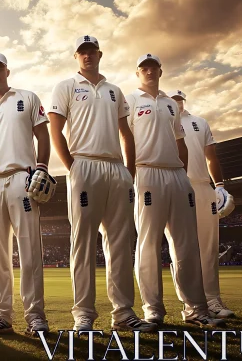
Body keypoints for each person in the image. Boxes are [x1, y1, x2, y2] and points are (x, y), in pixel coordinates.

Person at [48, 36, 156, 332]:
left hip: (115, 169)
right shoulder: (66, 86)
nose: (87, 56)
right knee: (81, 243)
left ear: (99, 54)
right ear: (76, 56)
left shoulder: (113, 90)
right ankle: (83, 314)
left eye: (92, 51)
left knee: (120, 243)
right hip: (84, 165)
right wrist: (72, 167)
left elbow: (126, 133)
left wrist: (128, 170)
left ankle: (123, 313)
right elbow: (55, 128)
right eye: (82, 52)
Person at [127, 54, 225, 328]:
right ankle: (153, 311)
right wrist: (130, 175)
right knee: (147, 244)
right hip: (147, 172)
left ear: (160, 71)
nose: (149, 71)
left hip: (176, 175)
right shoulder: (131, 101)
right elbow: (126, 139)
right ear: (138, 73)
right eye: (143, 67)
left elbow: (180, 142)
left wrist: (181, 170)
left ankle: (196, 310)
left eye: (153, 67)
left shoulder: (171, 104)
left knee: (186, 244)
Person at [0, 52, 54, 337]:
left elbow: (43, 135)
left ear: (7, 71)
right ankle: (2, 315)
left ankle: (35, 317)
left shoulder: (27, 97)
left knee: (30, 250)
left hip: (23, 178)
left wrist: (42, 167)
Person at [171, 90, 235, 318]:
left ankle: (213, 300)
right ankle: (190, 304)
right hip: (177, 185)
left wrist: (219, 185)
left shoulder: (199, 122)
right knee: (182, 249)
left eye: (179, 99)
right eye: (172, 99)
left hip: (202, 186)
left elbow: (211, 156)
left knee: (209, 248)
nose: (177, 102)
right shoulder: (162, 120)